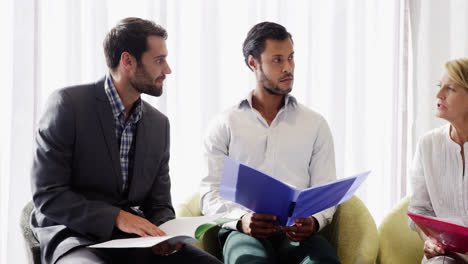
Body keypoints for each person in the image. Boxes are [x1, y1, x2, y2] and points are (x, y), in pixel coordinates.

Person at [30, 17, 222, 264]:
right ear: (128, 61)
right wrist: (118, 217)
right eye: (159, 60)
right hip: (74, 237)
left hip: (134, 241)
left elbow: (159, 204)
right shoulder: (67, 105)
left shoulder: (158, 125)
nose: (168, 69)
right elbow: (48, 195)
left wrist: (167, 233)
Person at [200, 21, 341, 264]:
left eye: (291, 58)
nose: (288, 68)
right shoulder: (225, 123)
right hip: (242, 230)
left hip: (297, 234)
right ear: (253, 62)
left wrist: (314, 221)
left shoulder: (315, 124)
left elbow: (324, 189)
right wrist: (242, 220)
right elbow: (208, 193)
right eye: (277, 59)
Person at [408, 58, 468, 264]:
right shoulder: (427, 144)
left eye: (450, 88)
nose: (438, 94)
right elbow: (419, 211)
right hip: (448, 257)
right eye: (439, 86)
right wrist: (430, 241)